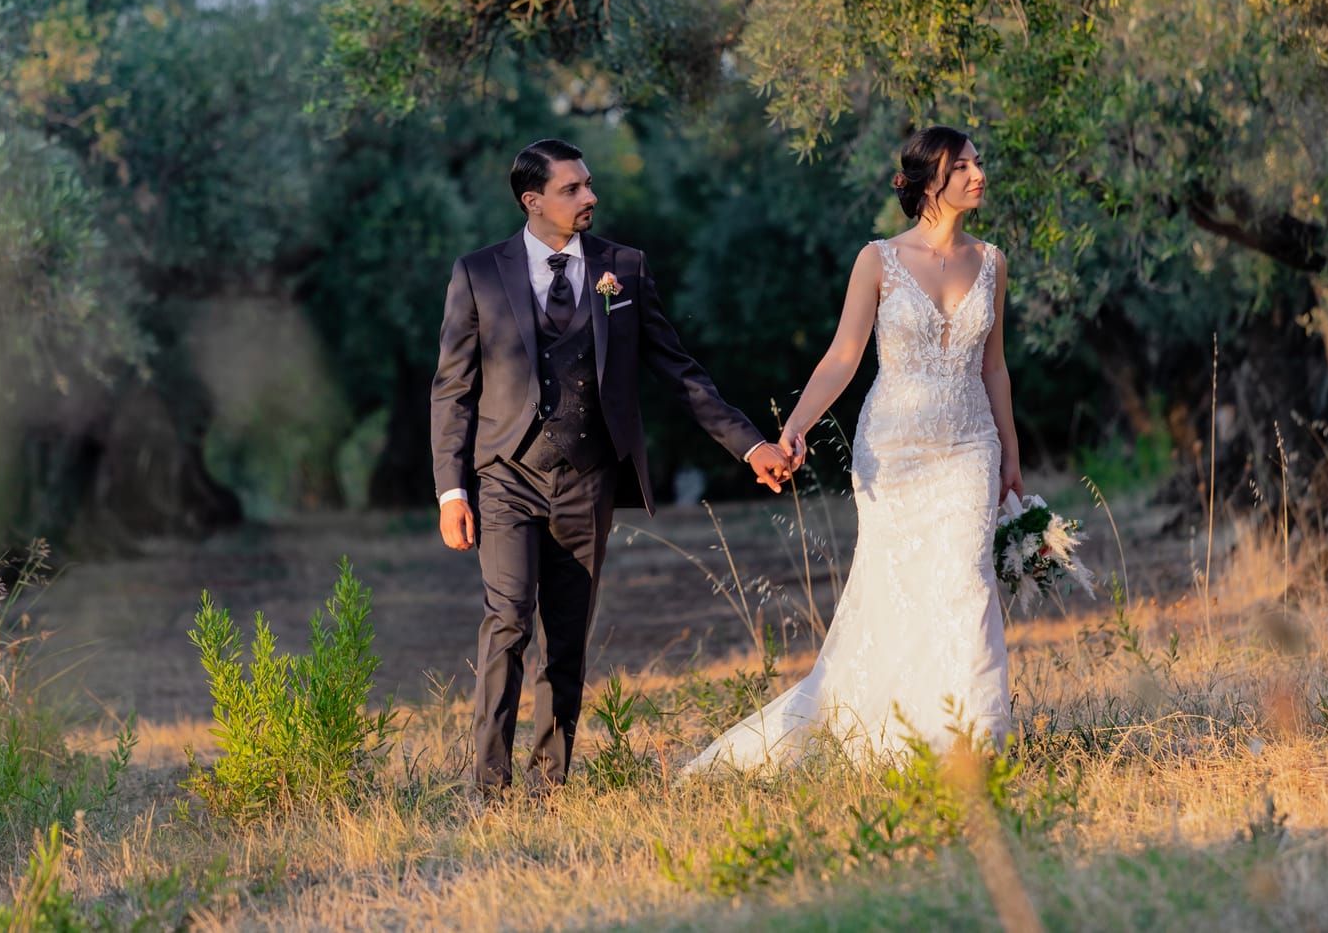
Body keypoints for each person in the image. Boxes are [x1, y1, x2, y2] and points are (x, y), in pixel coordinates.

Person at [431, 138, 795, 796]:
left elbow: (679, 371)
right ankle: (489, 788)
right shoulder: (478, 273)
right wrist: (452, 489)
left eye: (590, 184)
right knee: (509, 617)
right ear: (532, 200)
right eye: (572, 189)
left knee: (566, 639)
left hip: (588, 477)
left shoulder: (622, 268)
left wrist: (749, 444)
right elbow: (452, 389)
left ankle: (548, 789)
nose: (590, 196)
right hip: (506, 476)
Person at [684, 124, 1021, 773]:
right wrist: (797, 427)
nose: (979, 174)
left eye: (979, 163)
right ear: (929, 182)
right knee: (896, 585)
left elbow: (996, 366)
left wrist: (1010, 450)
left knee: (968, 579)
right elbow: (843, 355)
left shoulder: (994, 260)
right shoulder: (878, 260)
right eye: (964, 167)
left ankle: (973, 738)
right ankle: (896, 731)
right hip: (893, 450)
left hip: (970, 442)